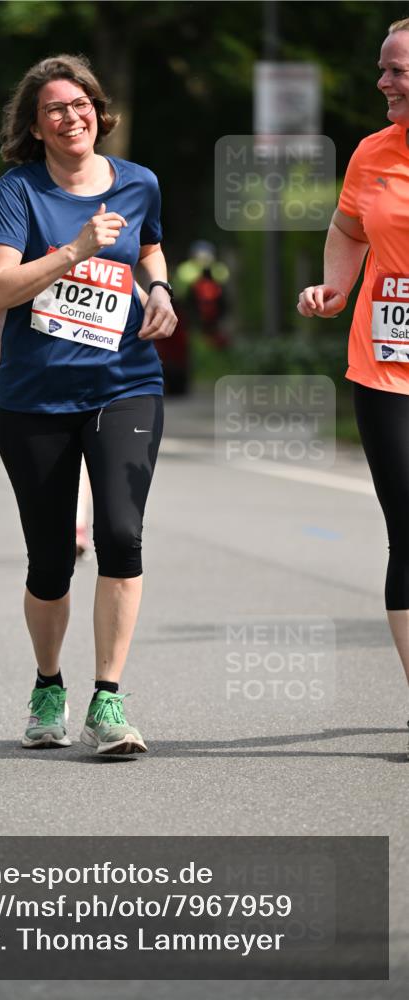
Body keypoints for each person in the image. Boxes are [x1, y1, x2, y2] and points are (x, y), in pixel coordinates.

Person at [0, 54, 176, 756]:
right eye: (55, 109)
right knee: (51, 558)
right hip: (36, 396)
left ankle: (108, 700)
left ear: (99, 109)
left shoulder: (137, 181)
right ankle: (47, 684)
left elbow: (148, 248)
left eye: (81, 103)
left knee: (121, 534)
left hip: (126, 381)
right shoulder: (20, 190)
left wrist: (160, 290)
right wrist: (75, 249)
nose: (72, 116)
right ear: (35, 126)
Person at [297, 18, 409, 749]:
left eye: (396, 71)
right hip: (385, 365)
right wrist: (335, 288)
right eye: (382, 67)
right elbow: (347, 230)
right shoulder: (373, 151)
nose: (381, 82)